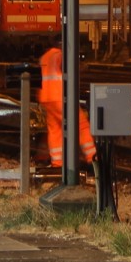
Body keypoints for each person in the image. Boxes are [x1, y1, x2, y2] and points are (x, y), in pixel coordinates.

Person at [39, 38, 97, 168]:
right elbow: (69, 69)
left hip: (47, 98)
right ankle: (92, 157)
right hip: (60, 97)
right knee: (81, 125)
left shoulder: (44, 57)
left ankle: (57, 163)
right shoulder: (59, 55)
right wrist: (81, 67)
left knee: (55, 130)